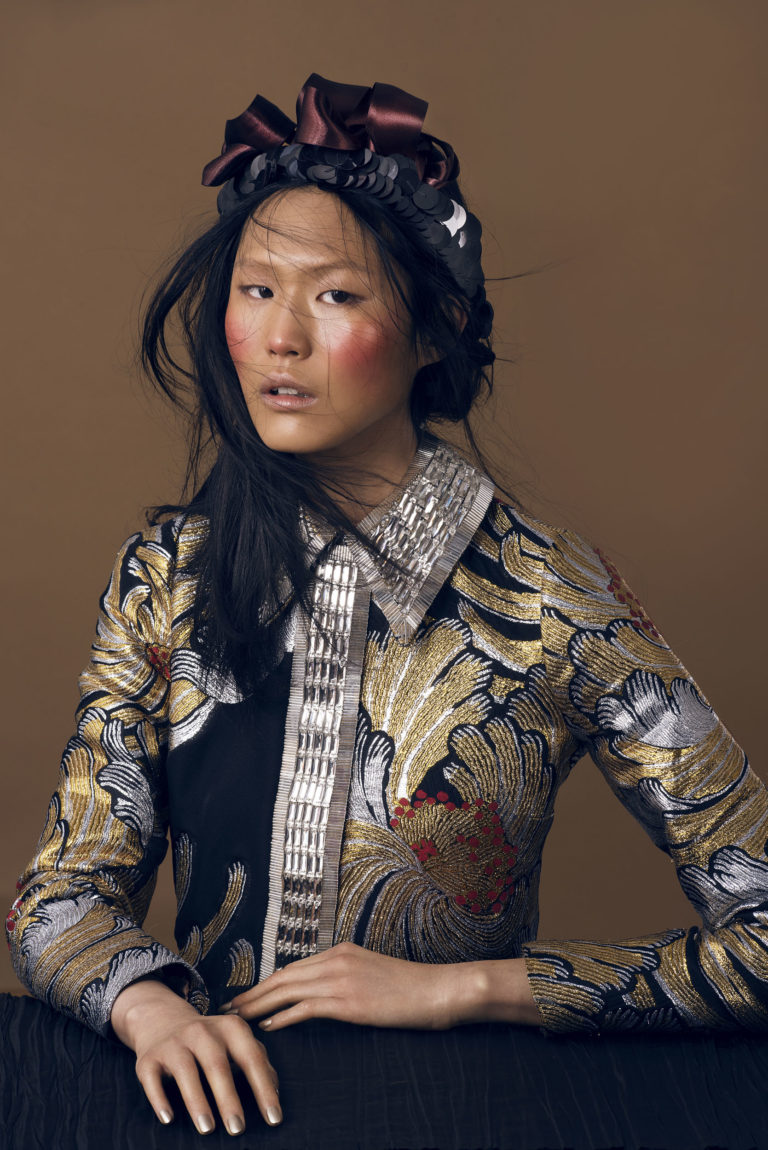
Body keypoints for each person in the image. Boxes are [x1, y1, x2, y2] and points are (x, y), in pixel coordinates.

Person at [6, 73, 768, 1139]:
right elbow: (59, 897)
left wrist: (470, 990)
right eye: (256, 288)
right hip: (213, 1116)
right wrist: (151, 1008)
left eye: (334, 297)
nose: (280, 337)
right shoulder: (167, 575)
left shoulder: (554, 597)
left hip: (459, 1116)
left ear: (434, 331)